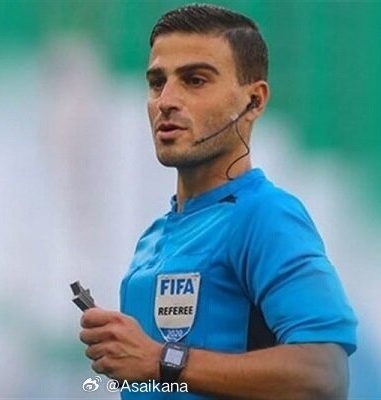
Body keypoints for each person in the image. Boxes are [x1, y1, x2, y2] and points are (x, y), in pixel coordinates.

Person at [79, 4, 357, 399]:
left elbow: (323, 374)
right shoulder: (152, 239)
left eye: (194, 80)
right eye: (157, 82)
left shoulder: (264, 215)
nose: (166, 100)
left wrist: (161, 359)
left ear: (254, 101)